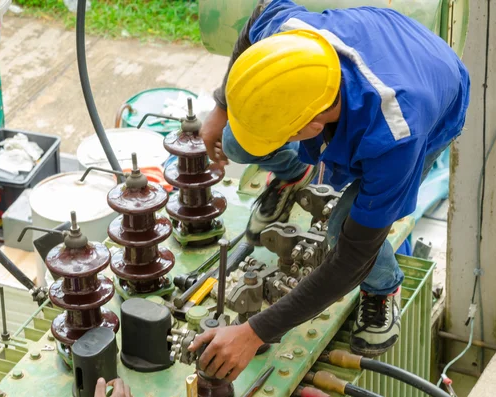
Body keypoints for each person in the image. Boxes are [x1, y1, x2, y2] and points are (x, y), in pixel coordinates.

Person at [190, 0, 470, 381]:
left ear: (314, 124)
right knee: (237, 143)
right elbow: (260, 13)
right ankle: (292, 176)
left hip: (436, 90)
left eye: (284, 134)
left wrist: (254, 333)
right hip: (379, 39)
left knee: (342, 230)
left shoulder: (397, 136)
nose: (278, 141)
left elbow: (352, 258)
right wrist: (222, 108)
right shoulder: (287, 35)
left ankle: (385, 289)